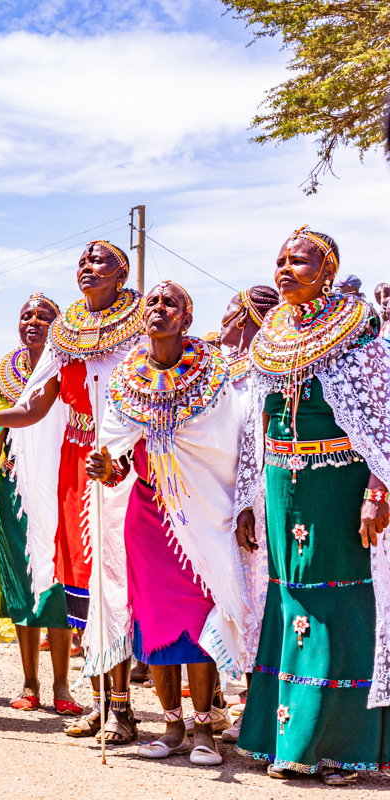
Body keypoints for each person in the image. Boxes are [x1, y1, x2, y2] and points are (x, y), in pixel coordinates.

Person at [0, 240, 144, 743]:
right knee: (83, 584)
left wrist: (120, 453)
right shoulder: (67, 334)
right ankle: (104, 702)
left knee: (117, 584)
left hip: (122, 466)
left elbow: (153, 397)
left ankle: (124, 707)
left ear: (122, 273)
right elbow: (39, 405)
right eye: (81, 261)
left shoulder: (140, 329)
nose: (87, 267)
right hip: (74, 464)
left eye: (99, 260)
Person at [234, 227, 390, 784]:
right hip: (280, 485)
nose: (284, 270)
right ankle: (286, 738)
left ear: (328, 270)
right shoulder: (271, 332)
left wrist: (379, 490)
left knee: (340, 606)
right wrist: (249, 498)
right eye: (279, 261)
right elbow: (257, 423)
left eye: (298, 262)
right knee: (288, 603)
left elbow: (383, 415)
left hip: (340, 486)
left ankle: (342, 746)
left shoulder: (359, 326)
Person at [86, 281, 256, 767]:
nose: (158, 309)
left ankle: (205, 728)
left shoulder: (215, 373)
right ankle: (171, 725)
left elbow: (230, 442)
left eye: (170, 304)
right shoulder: (126, 378)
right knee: (156, 620)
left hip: (203, 511)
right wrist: (107, 468)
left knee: (199, 618)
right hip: (147, 516)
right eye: (152, 303)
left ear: (186, 317)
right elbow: (118, 453)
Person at [0, 293, 81, 714]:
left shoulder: (69, 369)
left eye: (44, 315)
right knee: (21, 588)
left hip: (60, 488)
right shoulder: (3, 373)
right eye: (26, 315)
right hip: (12, 493)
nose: (33, 321)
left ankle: (62, 687)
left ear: (58, 324)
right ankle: (30, 683)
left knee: (57, 589)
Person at [215, 283, 280, 745]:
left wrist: (247, 502)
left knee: (259, 599)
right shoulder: (219, 369)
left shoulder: (264, 370)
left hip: (256, 498)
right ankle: (224, 702)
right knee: (228, 598)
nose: (223, 324)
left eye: (230, 315)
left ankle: (260, 706)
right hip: (216, 495)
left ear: (248, 319)